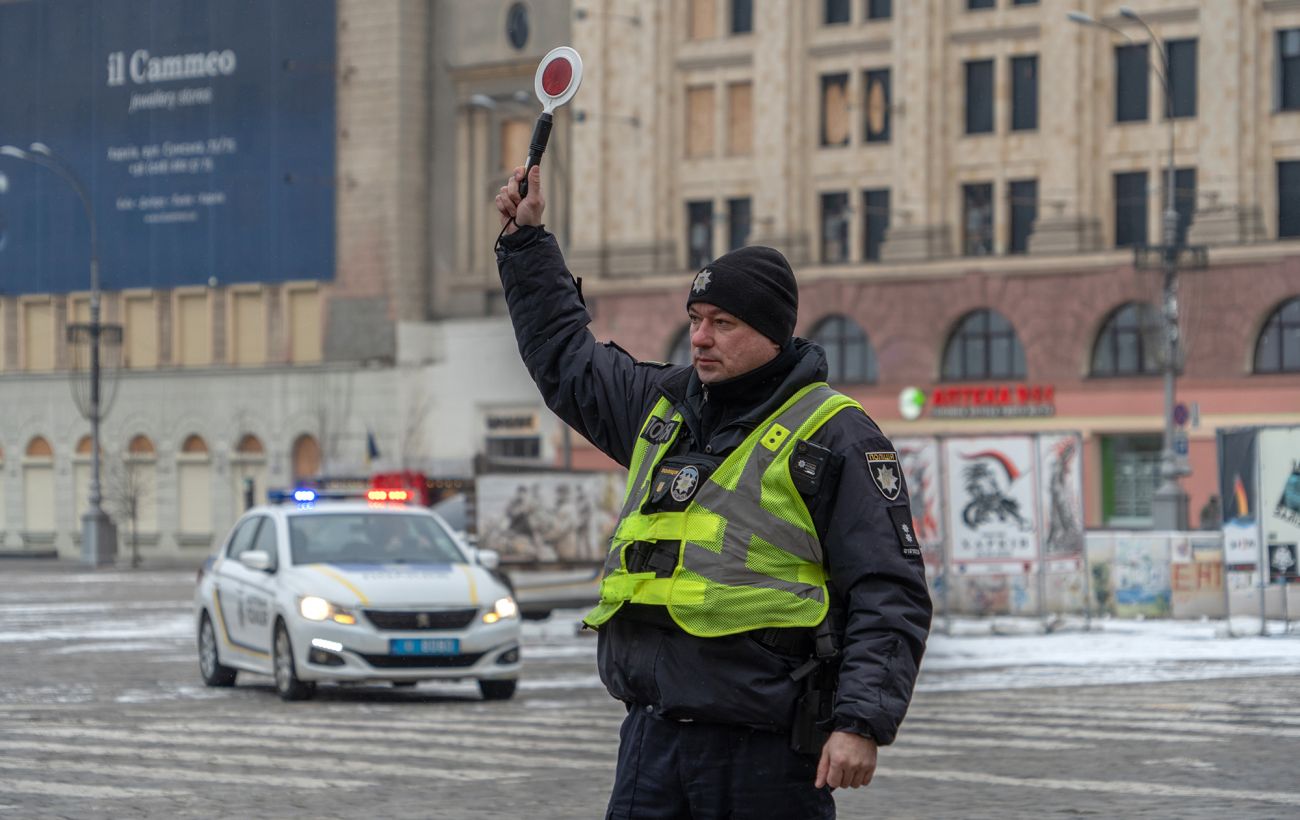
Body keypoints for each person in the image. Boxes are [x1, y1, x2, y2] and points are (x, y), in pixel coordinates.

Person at [495, 165, 932, 819]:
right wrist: (527, 244)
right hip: (652, 740)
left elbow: (888, 589)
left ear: (772, 333)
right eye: (696, 319)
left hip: (767, 753)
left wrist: (861, 721)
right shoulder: (663, 406)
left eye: (722, 322)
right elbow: (565, 356)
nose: (699, 337)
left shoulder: (835, 434)